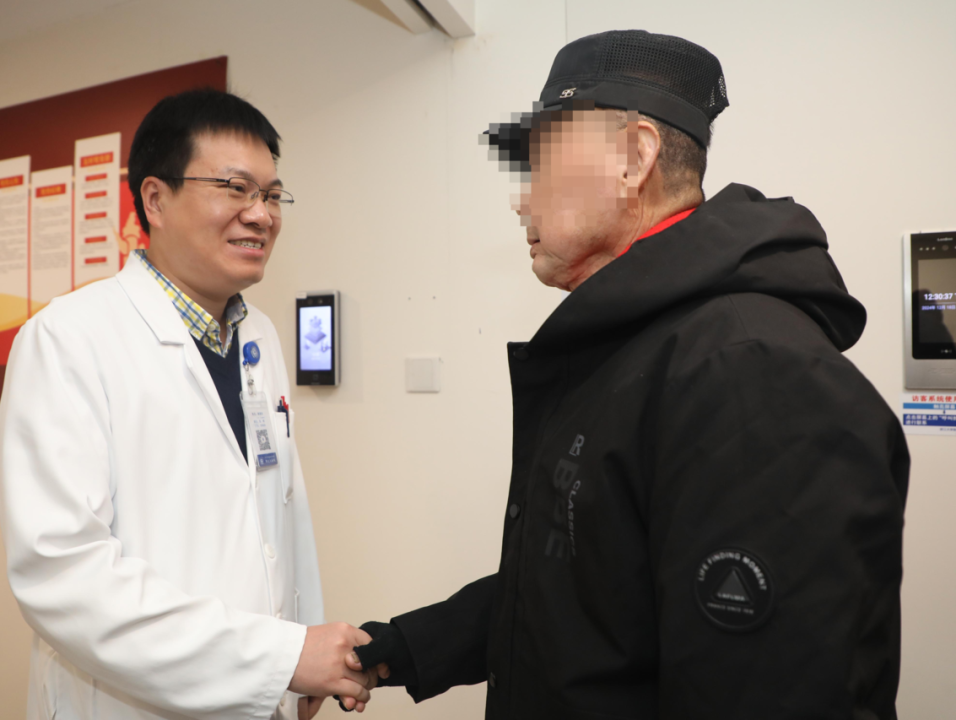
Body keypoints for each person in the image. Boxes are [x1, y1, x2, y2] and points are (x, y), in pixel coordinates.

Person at [349, 30, 910, 719]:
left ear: (633, 158)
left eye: (540, 166)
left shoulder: (751, 371)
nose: (520, 202)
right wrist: (402, 649)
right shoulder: (634, 347)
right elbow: (588, 585)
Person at [0, 89, 377, 720]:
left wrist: (301, 651)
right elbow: (64, 576)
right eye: (236, 188)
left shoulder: (258, 336)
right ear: (155, 199)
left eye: (272, 194)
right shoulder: (68, 338)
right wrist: (280, 658)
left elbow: (284, 513)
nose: (261, 214)